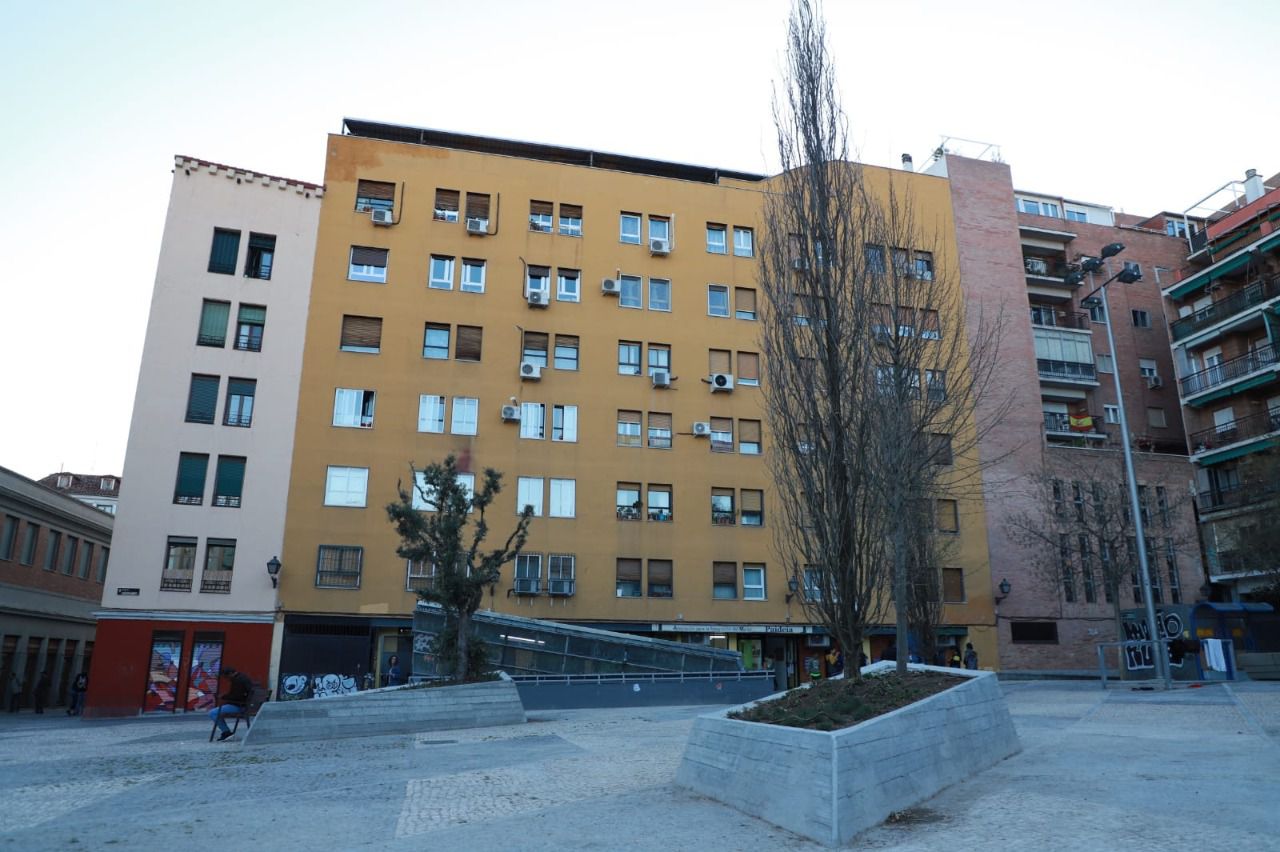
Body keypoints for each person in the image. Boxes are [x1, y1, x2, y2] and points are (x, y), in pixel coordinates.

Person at [210, 666, 253, 742]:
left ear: (230, 674)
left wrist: (223, 697)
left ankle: (226, 732)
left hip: (239, 706)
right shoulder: (242, 677)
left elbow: (236, 696)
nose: (227, 679)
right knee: (217, 711)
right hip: (243, 704)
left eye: (226, 677)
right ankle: (226, 732)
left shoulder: (237, 681)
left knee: (213, 713)